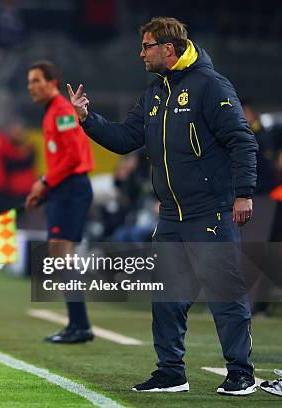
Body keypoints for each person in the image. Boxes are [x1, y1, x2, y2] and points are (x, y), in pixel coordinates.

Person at [67, 17, 258, 395]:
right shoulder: (155, 93)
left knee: (224, 294)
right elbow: (125, 138)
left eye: (147, 46)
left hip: (209, 210)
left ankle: (241, 374)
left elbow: (242, 140)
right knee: (166, 297)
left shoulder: (210, 85)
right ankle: (171, 372)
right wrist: (88, 119)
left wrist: (244, 192)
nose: (141, 53)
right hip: (170, 214)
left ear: (167, 49)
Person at [26, 60, 95, 343]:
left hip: (71, 188)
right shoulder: (52, 112)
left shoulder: (63, 111)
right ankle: (77, 324)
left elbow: (74, 156)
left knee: (61, 253)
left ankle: (79, 325)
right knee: (60, 255)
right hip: (62, 189)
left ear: (52, 83)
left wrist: (44, 182)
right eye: (29, 81)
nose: (31, 86)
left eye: (36, 80)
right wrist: (46, 188)